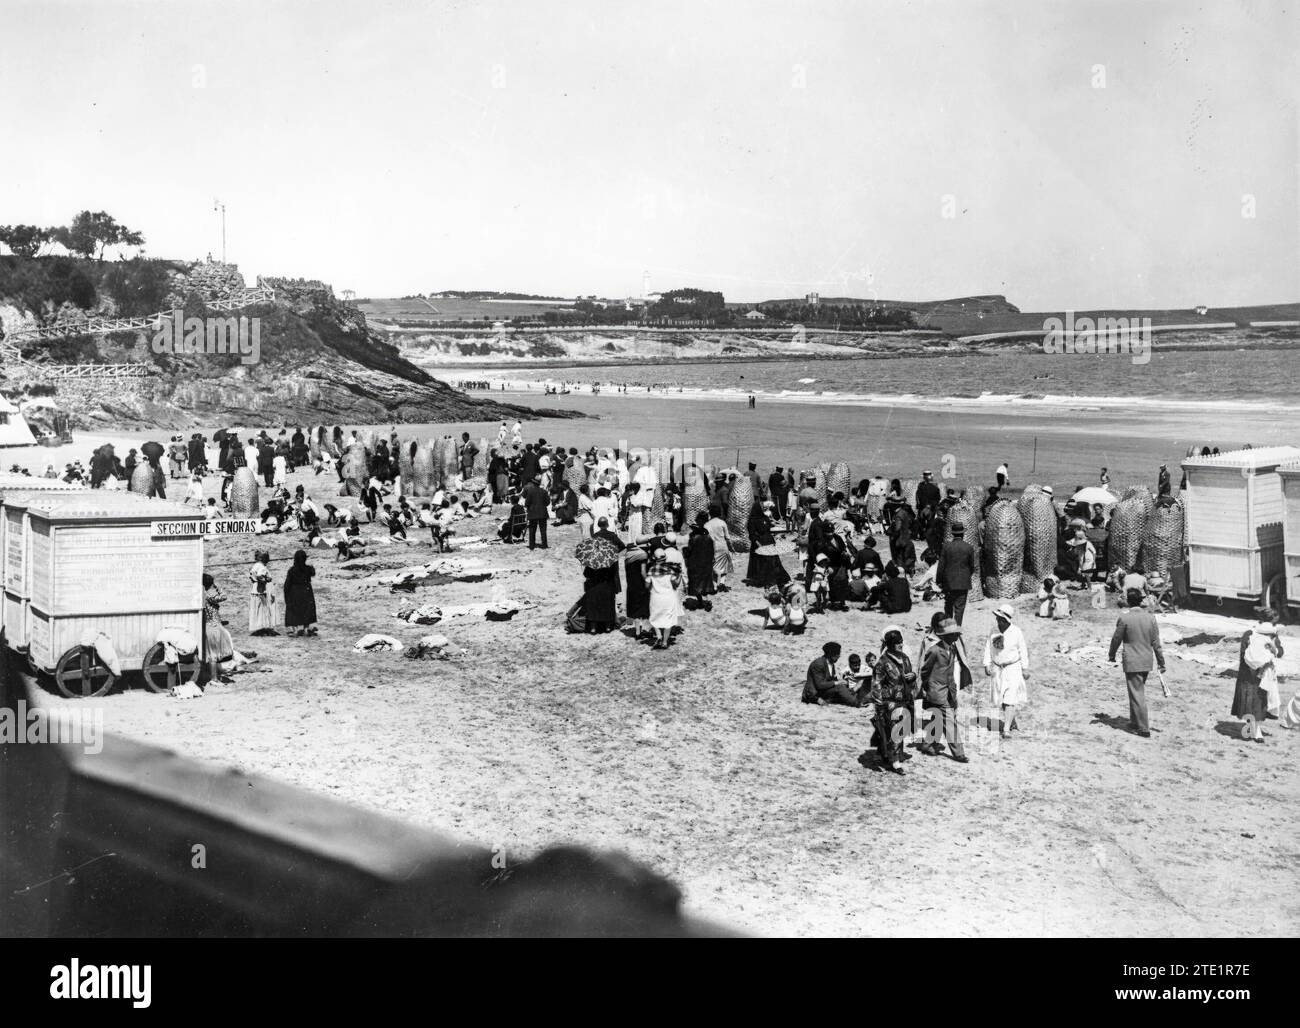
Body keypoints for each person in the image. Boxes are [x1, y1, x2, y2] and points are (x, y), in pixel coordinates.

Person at [1108, 589, 1166, 738]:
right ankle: (1134, 721)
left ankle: (1143, 728)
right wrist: (1161, 662)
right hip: (1146, 660)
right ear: (1141, 600)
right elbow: (1156, 643)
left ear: (1128, 601)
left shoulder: (1124, 618)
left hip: (1132, 661)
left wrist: (1111, 654)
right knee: (1136, 691)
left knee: (1137, 693)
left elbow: (1116, 639)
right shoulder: (1150, 617)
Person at [919, 618, 971, 761]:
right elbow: (924, 671)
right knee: (949, 721)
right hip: (937, 692)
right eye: (954, 634)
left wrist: (953, 691)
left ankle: (927, 744)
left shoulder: (952, 649)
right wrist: (927, 688)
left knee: (939, 719)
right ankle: (959, 753)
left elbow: (950, 673)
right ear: (945, 635)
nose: (957, 636)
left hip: (949, 691)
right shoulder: (934, 651)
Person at [869, 629, 915, 775]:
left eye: (901, 641)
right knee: (893, 731)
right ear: (889, 645)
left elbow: (911, 674)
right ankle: (894, 762)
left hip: (905, 699)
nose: (901, 644)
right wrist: (879, 704)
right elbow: (876, 684)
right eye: (897, 643)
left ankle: (889, 754)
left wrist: (913, 676)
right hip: (890, 702)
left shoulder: (905, 658)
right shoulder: (882, 663)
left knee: (902, 730)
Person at [984, 604, 1029, 738]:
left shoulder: (1016, 632)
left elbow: (1023, 650)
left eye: (1001, 619)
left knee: (1010, 697)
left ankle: (1006, 729)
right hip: (998, 669)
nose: (998, 621)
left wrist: (1025, 668)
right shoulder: (993, 631)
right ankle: (1012, 720)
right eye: (997, 618)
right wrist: (986, 664)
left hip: (1012, 668)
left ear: (1007, 620)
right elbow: (988, 647)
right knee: (1002, 699)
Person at [1232, 623, 1282, 742]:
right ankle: (1256, 731)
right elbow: (1244, 656)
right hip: (1249, 675)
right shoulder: (1249, 635)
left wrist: (1273, 648)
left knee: (1259, 703)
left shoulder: (1272, 637)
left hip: (1265, 675)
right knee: (1250, 703)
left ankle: (1255, 729)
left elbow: (1280, 653)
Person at [936, 522, 976, 624]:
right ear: (963, 534)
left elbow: (941, 565)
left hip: (948, 582)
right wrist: (966, 576)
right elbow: (972, 566)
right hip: (963, 582)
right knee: (960, 608)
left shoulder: (946, 547)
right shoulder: (969, 547)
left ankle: (949, 627)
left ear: (952, 534)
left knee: (948, 605)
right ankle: (956, 630)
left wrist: (939, 580)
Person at [802, 642, 862, 706]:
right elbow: (820, 685)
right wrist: (837, 683)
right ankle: (857, 703)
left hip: (825, 691)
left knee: (845, 687)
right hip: (814, 694)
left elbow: (830, 679)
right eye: (837, 654)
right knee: (840, 687)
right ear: (831, 655)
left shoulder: (830, 663)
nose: (839, 656)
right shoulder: (818, 664)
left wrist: (842, 681)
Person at [646, 549, 683, 649]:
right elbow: (676, 584)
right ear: (665, 558)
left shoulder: (651, 570)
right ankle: (665, 642)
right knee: (668, 619)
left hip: (656, 597)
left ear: (654, 558)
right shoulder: (670, 570)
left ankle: (658, 636)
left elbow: (647, 585)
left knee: (654, 617)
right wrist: (679, 575)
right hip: (668, 597)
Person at [283, 549, 318, 637]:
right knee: (307, 610)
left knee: (296, 611)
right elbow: (313, 573)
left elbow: (287, 585)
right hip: (306, 591)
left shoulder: (291, 570)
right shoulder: (308, 569)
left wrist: (286, 595)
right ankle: (307, 628)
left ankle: (297, 629)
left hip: (295, 592)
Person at [684, 519, 716, 610]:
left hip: (695, 564)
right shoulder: (709, 539)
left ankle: (701, 602)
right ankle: (707, 601)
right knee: (706, 583)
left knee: (695, 584)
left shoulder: (694, 539)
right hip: (706, 564)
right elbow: (712, 552)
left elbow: (689, 552)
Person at [623, 546, 651, 638]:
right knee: (642, 607)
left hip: (631, 585)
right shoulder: (642, 555)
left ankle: (637, 632)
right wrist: (648, 580)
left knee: (635, 609)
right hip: (640, 585)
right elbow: (643, 572)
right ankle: (644, 630)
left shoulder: (628, 556)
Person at [248, 550, 277, 636]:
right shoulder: (262, 567)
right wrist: (266, 580)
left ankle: (258, 627)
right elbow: (260, 576)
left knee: (256, 609)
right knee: (264, 608)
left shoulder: (255, 566)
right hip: (261, 590)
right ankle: (264, 627)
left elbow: (252, 576)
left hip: (254, 589)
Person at [521, 476, 549, 549]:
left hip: (533, 512)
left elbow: (527, 503)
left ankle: (532, 545)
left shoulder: (530, 492)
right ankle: (544, 545)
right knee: (543, 530)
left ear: (533, 483)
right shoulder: (544, 491)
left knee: (532, 530)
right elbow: (548, 503)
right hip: (543, 512)